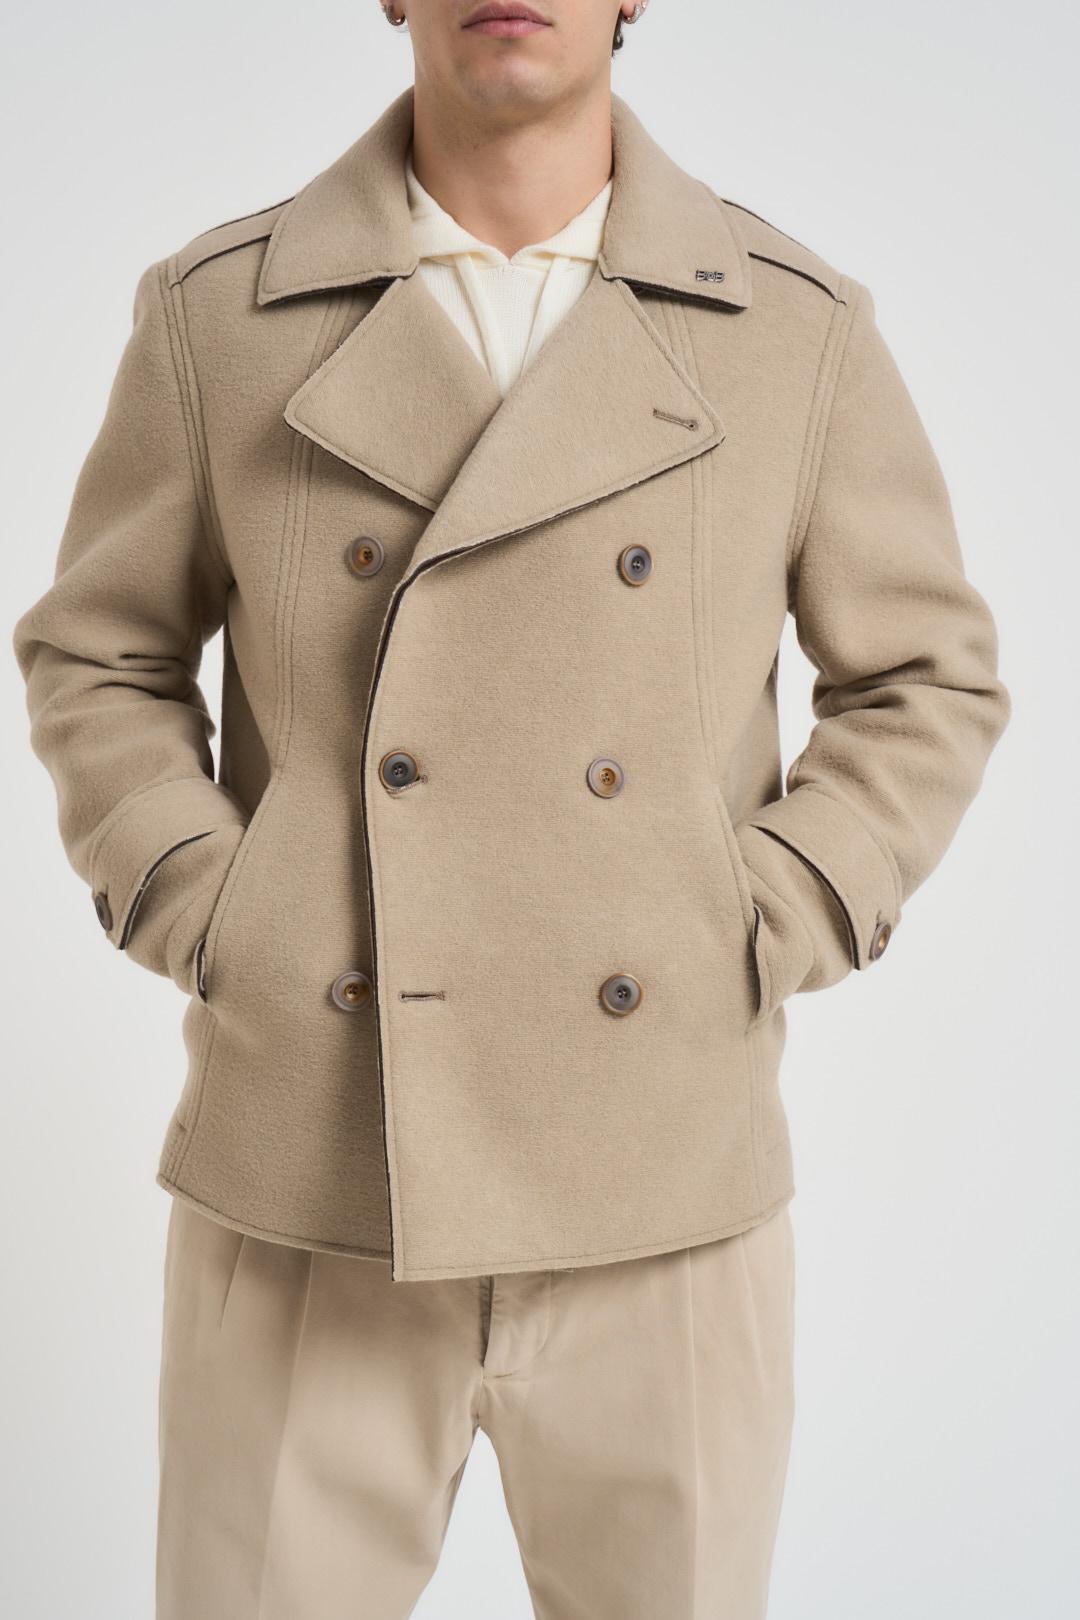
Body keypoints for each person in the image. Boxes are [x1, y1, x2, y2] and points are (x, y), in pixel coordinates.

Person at [10, 2, 1011, 1616]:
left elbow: (924, 679)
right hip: (310, 1172)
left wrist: (761, 918)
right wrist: (215, 904)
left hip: (666, 1190)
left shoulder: (791, 327)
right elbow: (99, 653)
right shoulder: (221, 316)